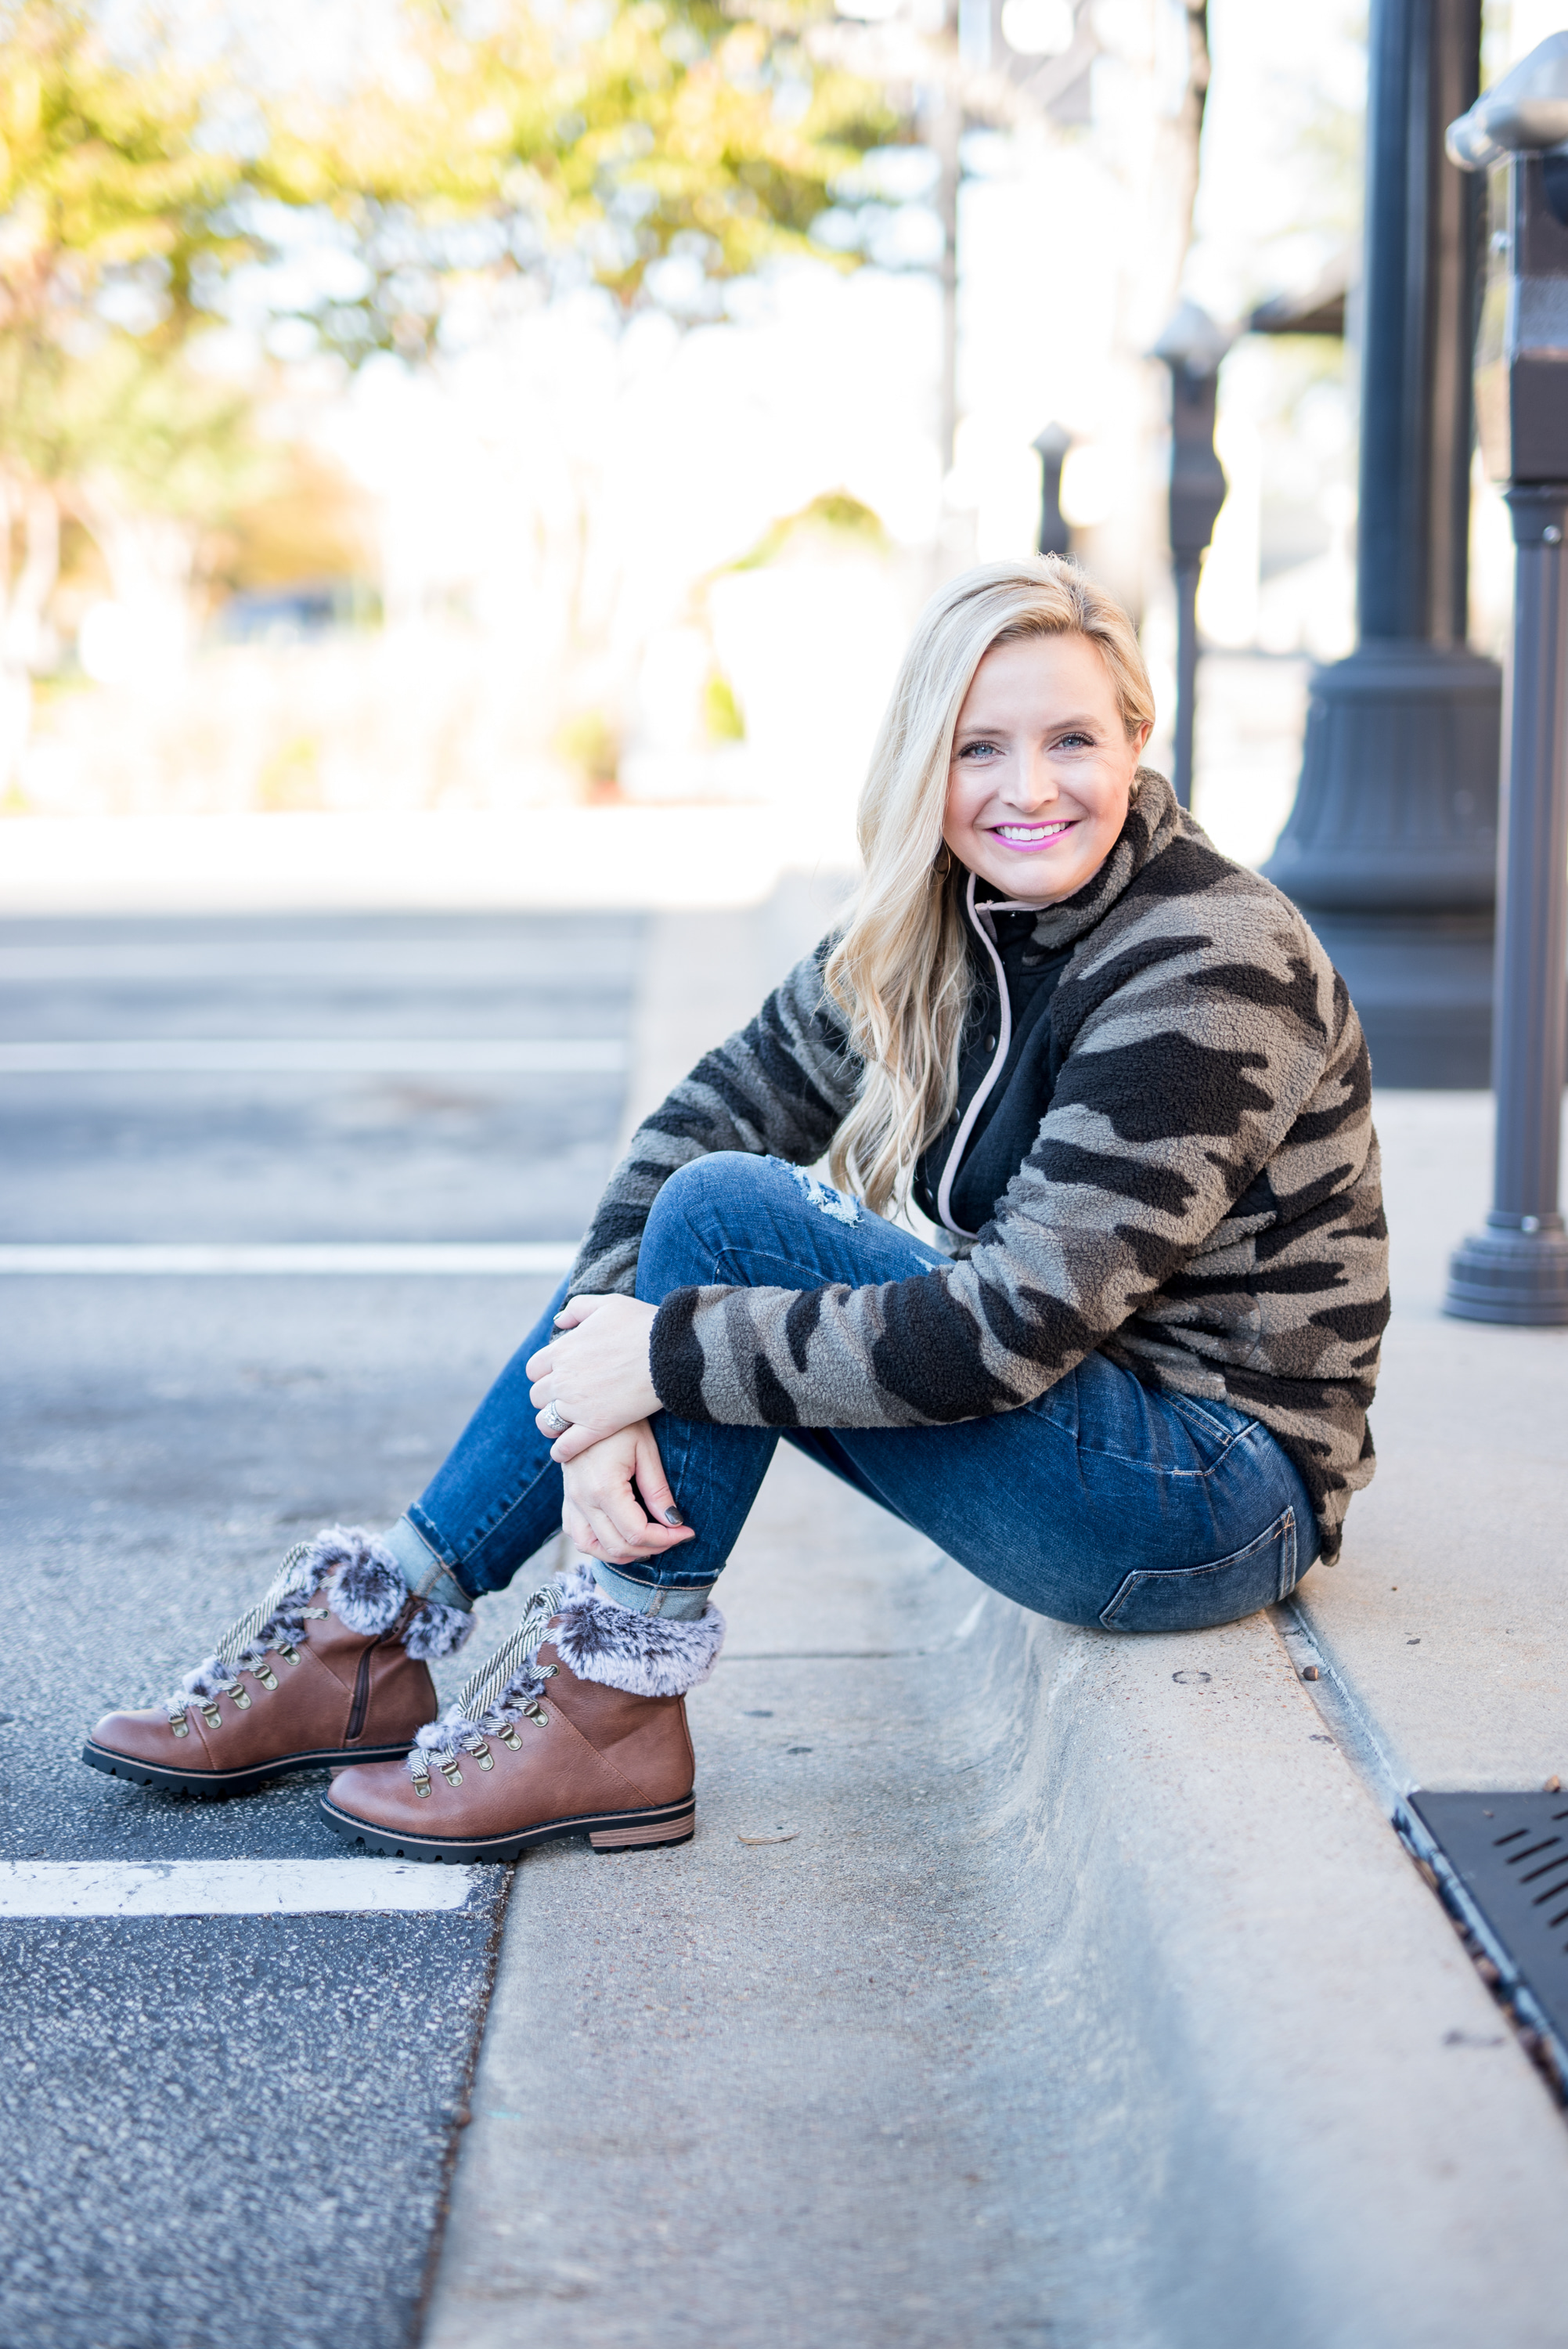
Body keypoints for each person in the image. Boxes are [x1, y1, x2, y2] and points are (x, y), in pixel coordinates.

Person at [83, 557, 1390, 1862]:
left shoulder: (1209, 961)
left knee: (725, 1223)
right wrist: (597, 1394)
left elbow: (1016, 1325)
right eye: (976, 747)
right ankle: (378, 1632)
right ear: (920, 764)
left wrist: (648, 1360)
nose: (1027, 789)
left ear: (1137, 741)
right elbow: (706, 1113)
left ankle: (607, 1708)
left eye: (1070, 741)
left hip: (1205, 1495)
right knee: (701, 1201)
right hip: (1081, 1423)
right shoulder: (934, 916)